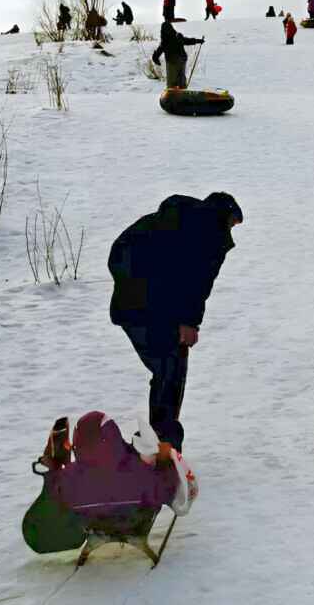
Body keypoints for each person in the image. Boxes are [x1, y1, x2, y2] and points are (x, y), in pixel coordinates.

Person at [108, 192, 243, 451]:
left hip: (133, 308)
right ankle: (161, 444)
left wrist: (133, 288)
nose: (231, 233)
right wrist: (189, 323)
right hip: (150, 312)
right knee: (170, 369)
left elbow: (118, 253)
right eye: (233, 224)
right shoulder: (209, 233)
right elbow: (197, 281)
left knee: (167, 369)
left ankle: (156, 441)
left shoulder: (168, 220)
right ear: (223, 216)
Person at [151, 20, 204, 89]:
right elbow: (187, 40)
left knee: (172, 81)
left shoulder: (165, 40)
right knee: (181, 78)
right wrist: (198, 41)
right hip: (181, 60)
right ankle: (182, 90)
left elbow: (159, 51)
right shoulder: (177, 36)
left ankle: (173, 92)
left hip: (172, 61)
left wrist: (155, 58)